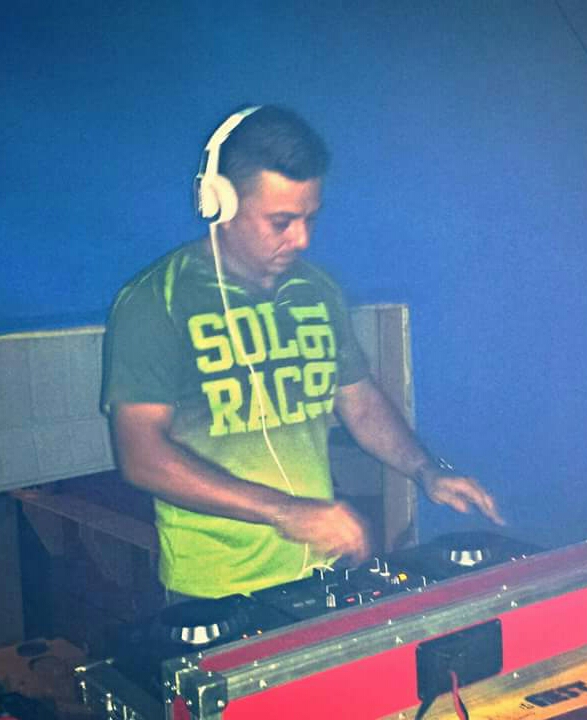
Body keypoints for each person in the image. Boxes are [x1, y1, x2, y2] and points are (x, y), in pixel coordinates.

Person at [101, 104, 503, 600]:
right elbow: (141, 455)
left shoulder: (317, 290)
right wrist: (287, 511)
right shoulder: (154, 302)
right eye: (281, 221)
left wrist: (426, 470)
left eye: (310, 218)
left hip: (323, 572)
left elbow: (360, 403)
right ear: (219, 204)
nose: (302, 238)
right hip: (216, 590)